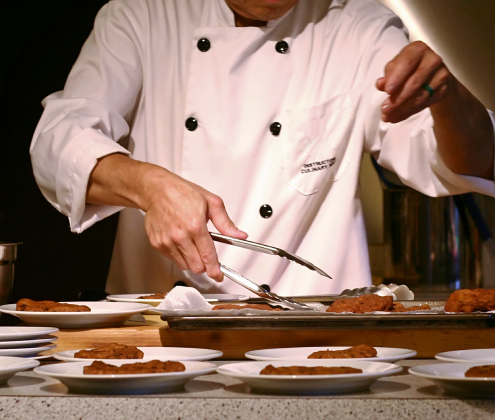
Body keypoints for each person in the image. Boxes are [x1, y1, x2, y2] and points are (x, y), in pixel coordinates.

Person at [30, 0, 495, 296]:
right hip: (160, 333)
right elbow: (58, 142)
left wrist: (449, 97)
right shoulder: (141, 15)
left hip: (314, 334)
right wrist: (147, 185)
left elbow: (461, 162)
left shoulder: (360, 25)